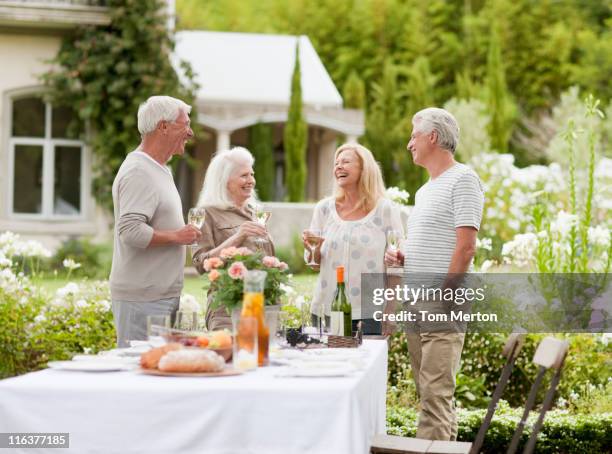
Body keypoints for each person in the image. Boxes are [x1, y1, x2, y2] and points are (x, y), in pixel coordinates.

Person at [385, 107, 484, 441]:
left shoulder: (464, 179)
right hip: (416, 302)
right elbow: (431, 243)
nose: (409, 143)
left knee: (435, 397)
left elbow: (466, 246)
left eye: (414, 135)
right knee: (432, 396)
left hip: (440, 303)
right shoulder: (424, 191)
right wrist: (404, 255)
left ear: (433, 136)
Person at [109, 95, 200, 348]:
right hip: (143, 299)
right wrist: (177, 236)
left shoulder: (158, 168)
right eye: (185, 124)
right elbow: (130, 231)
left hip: (158, 296)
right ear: (163, 126)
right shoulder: (139, 171)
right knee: (140, 379)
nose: (190, 133)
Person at [304, 143, 404, 335]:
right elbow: (315, 265)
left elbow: (396, 267)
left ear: (364, 169)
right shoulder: (323, 209)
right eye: (336, 163)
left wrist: (390, 311)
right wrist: (313, 248)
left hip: (370, 313)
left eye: (346, 162)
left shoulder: (385, 210)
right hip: (327, 309)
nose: (338, 166)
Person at [192, 147, 274, 330]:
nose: (251, 181)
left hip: (263, 305)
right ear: (224, 180)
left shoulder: (256, 213)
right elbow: (199, 264)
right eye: (244, 176)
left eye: (252, 174)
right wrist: (238, 236)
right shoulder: (206, 214)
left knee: (262, 358)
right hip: (228, 311)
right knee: (232, 357)